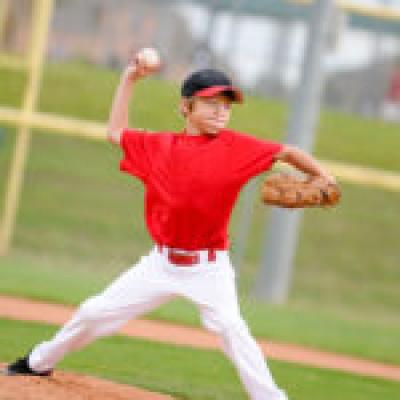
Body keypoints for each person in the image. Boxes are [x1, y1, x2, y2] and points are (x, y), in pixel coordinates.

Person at [5, 51, 335, 400]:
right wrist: (128, 79)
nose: (222, 111)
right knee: (94, 311)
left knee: (231, 328)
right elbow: (116, 132)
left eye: (227, 104)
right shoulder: (158, 146)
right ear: (186, 107)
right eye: (212, 103)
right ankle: (38, 362)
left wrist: (322, 176)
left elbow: (287, 151)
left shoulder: (237, 148)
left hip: (209, 268)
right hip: (160, 264)